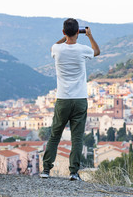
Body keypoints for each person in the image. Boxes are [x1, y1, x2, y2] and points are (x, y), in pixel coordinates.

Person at [40, 18, 100, 180]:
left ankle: (46, 170)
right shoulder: (83, 49)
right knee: (77, 137)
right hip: (80, 98)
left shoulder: (57, 49)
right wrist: (89, 36)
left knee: (55, 135)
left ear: (63, 32)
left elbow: (55, 45)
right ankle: (73, 172)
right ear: (77, 33)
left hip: (63, 99)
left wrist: (65, 37)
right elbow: (97, 51)